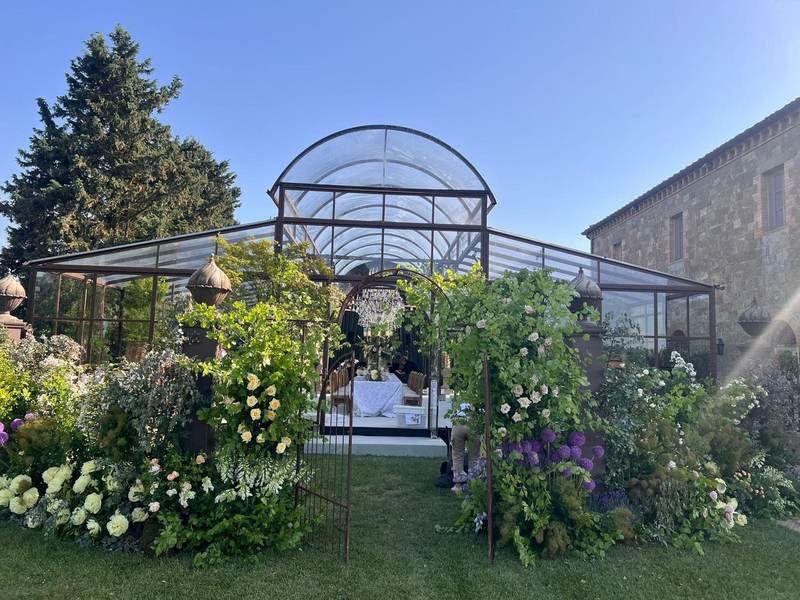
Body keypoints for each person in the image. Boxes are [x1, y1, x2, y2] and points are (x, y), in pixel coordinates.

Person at [450, 402, 480, 492]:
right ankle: (473, 484)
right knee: (474, 456)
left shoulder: (459, 396)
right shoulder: (478, 396)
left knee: (457, 455)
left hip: (459, 420)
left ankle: (458, 485)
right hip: (474, 421)